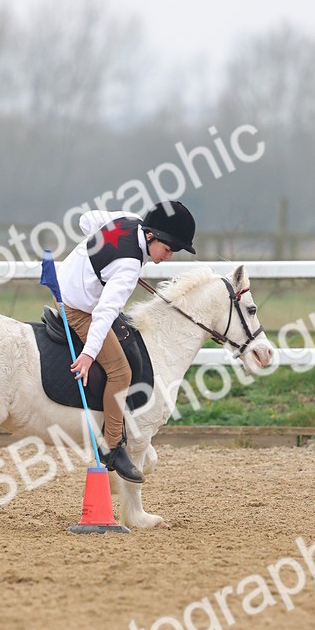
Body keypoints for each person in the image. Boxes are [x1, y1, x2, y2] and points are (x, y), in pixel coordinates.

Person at [55, 200, 197, 482]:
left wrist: (95, 254)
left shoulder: (128, 219)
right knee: (121, 372)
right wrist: (89, 354)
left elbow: (87, 219)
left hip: (67, 281)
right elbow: (105, 312)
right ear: (150, 236)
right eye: (168, 249)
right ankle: (112, 446)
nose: (169, 257)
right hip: (78, 308)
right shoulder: (129, 267)